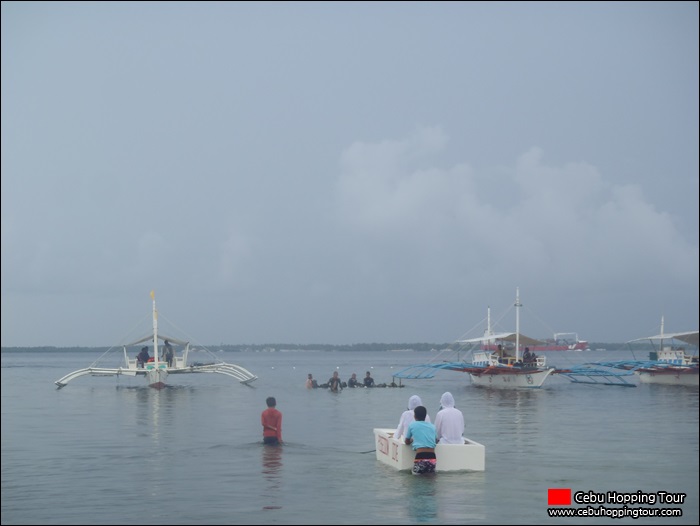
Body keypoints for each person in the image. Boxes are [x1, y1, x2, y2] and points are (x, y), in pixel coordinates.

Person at [404, 405, 437, 475]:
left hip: (421, 455)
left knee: (417, 477)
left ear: (415, 416)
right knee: (431, 478)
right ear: (425, 416)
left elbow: (407, 441)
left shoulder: (412, 425)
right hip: (432, 456)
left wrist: (412, 441)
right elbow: (436, 440)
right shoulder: (432, 426)